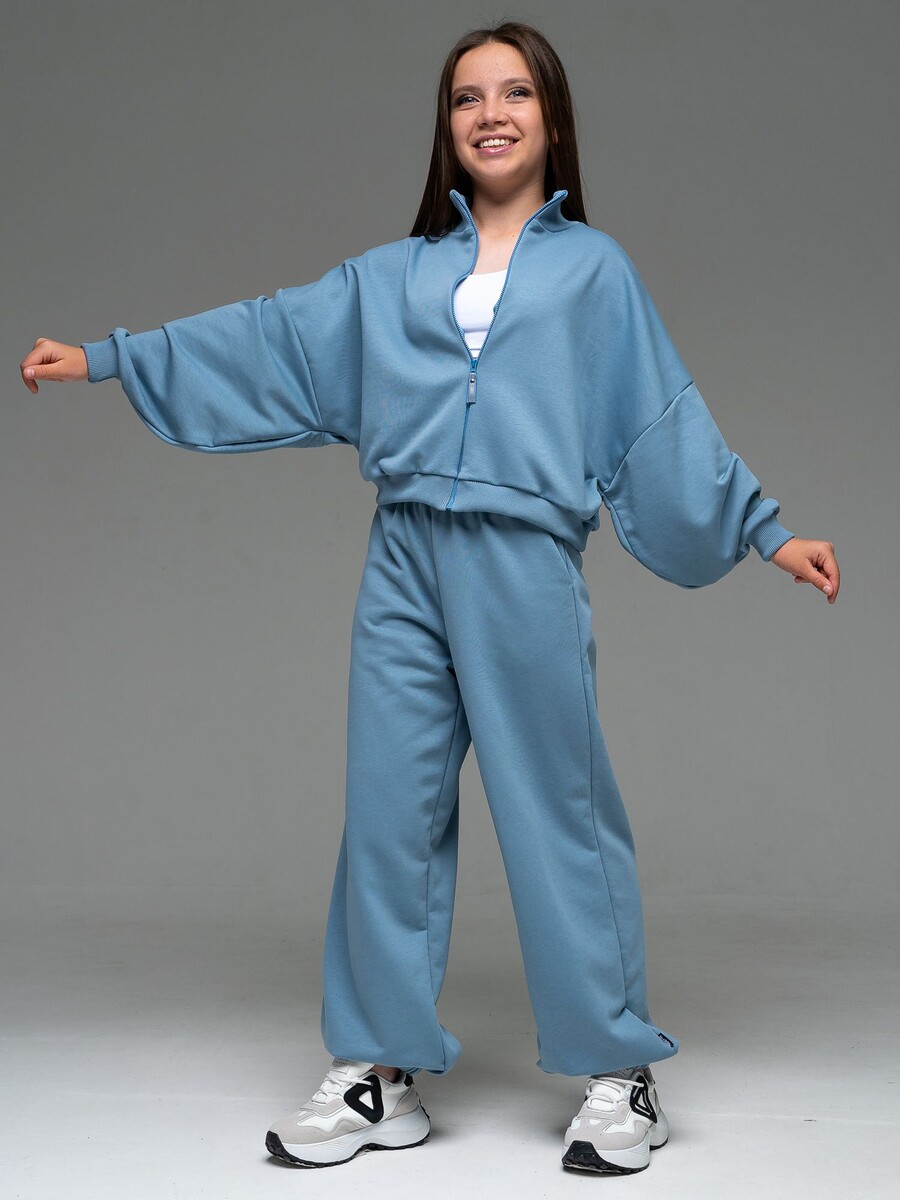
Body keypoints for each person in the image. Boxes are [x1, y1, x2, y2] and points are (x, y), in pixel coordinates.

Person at [20, 19, 840, 1177]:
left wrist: (766, 530)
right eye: (467, 98)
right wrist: (111, 357)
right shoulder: (394, 276)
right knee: (388, 813)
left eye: (515, 93)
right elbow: (271, 335)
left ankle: (620, 1073)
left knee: (558, 812)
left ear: (551, 117)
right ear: (446, 125)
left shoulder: (593, 271)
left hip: (523, 561)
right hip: (403, 555)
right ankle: (376, 1069)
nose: (491, 114)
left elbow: (661, 413)